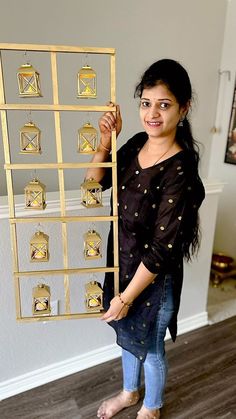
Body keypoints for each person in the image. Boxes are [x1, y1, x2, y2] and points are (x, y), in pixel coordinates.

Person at [85, 59, 205, 419]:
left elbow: (161, 251)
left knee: (151, 349)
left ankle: (151, 408)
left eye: (164, 104)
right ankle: (129, 392)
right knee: (127, 338)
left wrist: (124, 298)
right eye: (146, 103)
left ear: (183, 109)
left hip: (152, 280)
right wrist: (105, 141)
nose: (153, 113)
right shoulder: (137, 142)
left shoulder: (179, 169)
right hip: (122, 267)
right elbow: (93, 187)